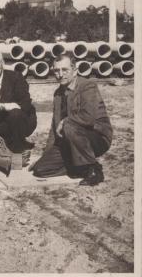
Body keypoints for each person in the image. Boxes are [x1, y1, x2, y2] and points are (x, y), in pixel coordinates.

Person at [31, 54, 112, 186]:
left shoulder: (87, 86)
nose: (60, 74)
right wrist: (46, 155)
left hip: (96, 137)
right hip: (70, 139)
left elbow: (88, 118)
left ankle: (94, 169)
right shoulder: (58, 94)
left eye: (65, 70)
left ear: (75, 71)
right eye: (57, 71)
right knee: (40, 169)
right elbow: (54, 128)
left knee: (68, 124)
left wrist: (64, 122)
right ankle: (80, 167)